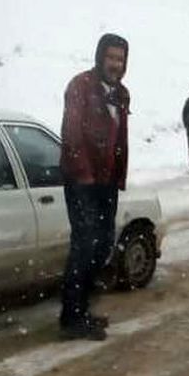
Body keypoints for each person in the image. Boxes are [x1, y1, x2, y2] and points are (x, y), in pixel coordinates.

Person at [59, 33, 130, 341]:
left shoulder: (121, 93)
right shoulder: (81, 86)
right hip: (81, 181)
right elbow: (72, 134)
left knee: (103, 245)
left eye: (121, 59)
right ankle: (71, 316)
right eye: (111, 57)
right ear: (100, 57)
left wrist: (117, 177)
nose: (116, 64)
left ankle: (83, 309)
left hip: (107, 182)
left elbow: (120, 137)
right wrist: (85, 177)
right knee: (84, 246)